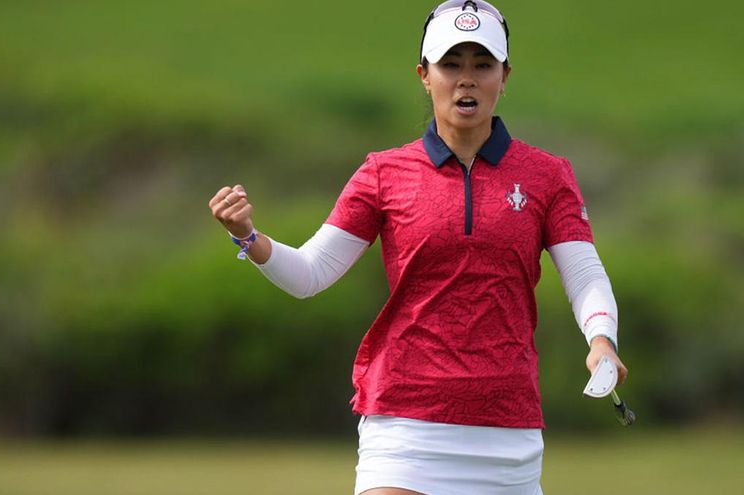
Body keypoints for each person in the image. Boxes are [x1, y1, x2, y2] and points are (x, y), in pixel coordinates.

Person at [208, 1, 628, 494]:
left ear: (505, 75)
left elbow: (585, 277)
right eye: (451, 65)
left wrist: (602, 338)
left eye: (482, 65)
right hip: (403, 424)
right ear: (425, 75)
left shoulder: (547, 175)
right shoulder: (383, 173)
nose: (466, 80)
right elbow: (310, 273)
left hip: (506, 429)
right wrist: (249, 238)